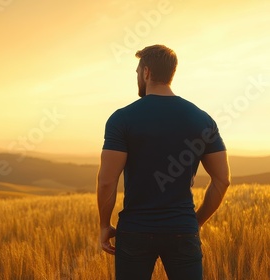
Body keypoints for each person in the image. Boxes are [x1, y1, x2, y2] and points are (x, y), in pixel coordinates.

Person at [97, 44, 231, 280]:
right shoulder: (202, 119)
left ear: (146, 72)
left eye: (137, 72)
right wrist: (194, 222)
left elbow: (107, 181)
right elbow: (223, 180)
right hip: (182, 230)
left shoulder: (122, 118)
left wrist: (104, 225)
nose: (137, 77)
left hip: (135, 230)